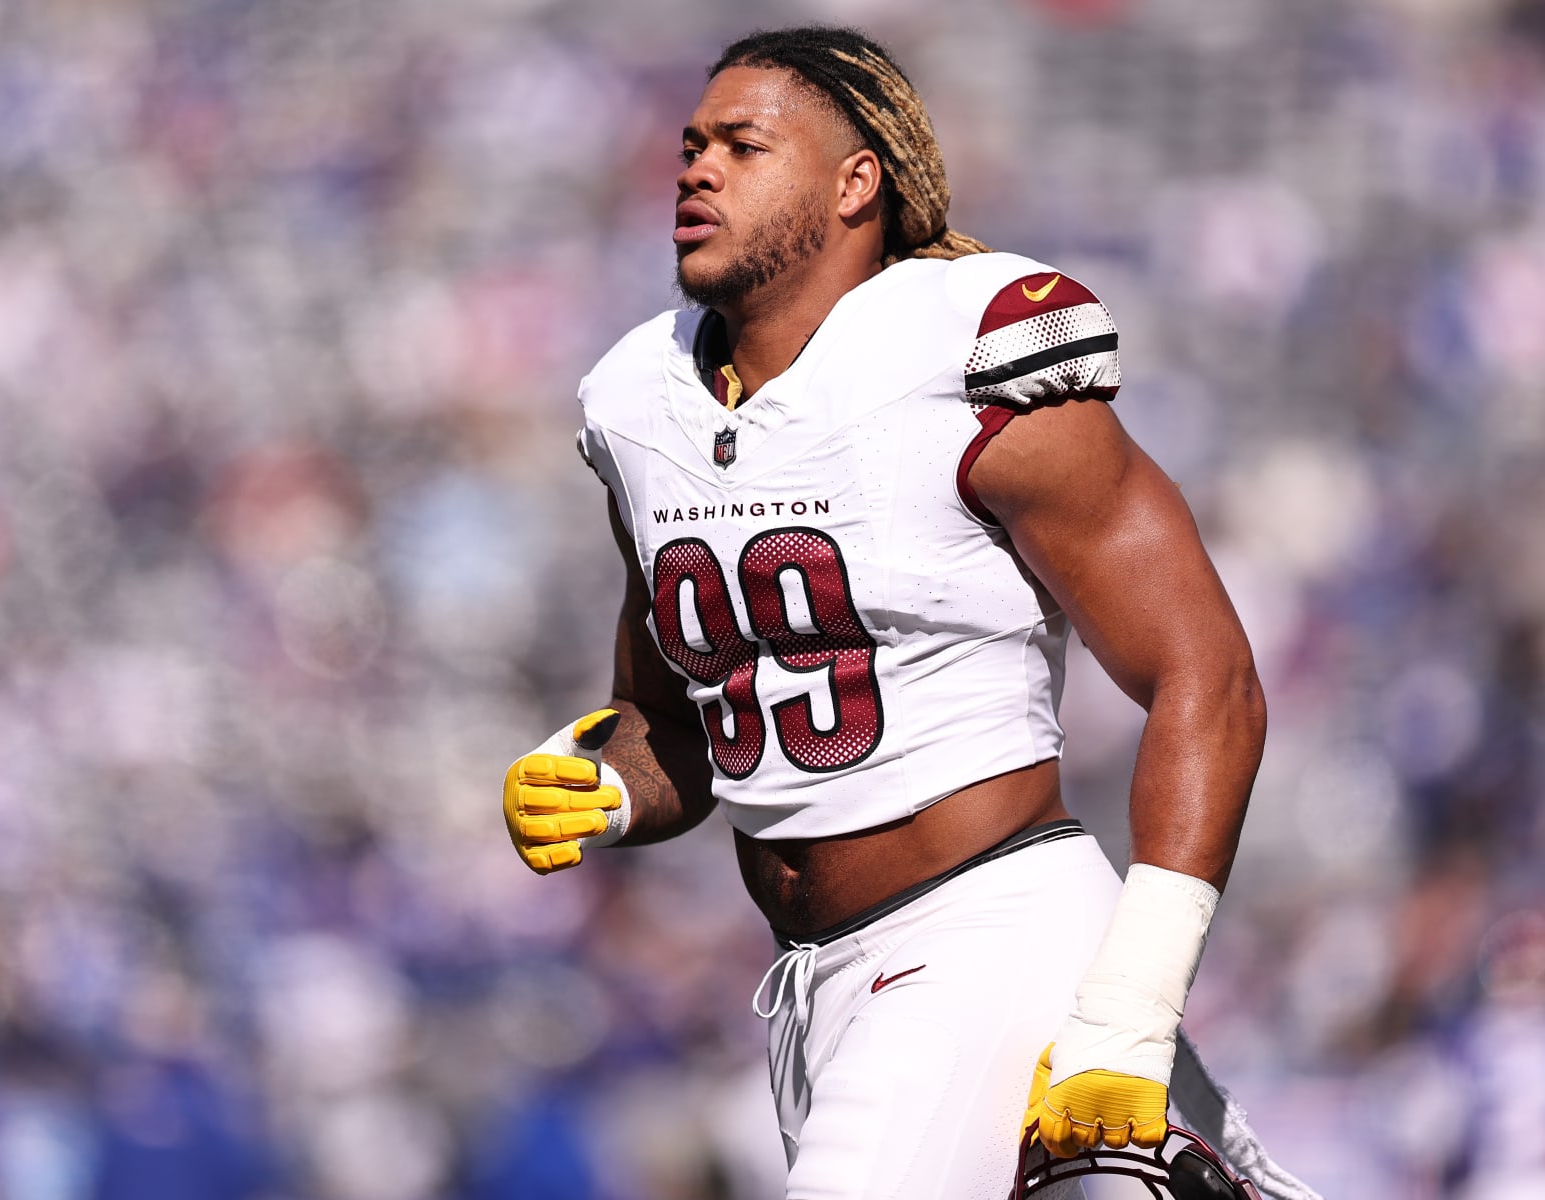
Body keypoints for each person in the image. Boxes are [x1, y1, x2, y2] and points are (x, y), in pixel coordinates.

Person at [502, 26, 1267, 1199]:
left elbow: (1206, 678)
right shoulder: (635, 402)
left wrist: (1130, 1006)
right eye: (691, 145)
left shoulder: (962, 352)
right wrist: (607, 785)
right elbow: (678, 724)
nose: (696, 168)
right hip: (816, 988)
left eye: (742, 146)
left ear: (856, 180)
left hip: (987, 934)